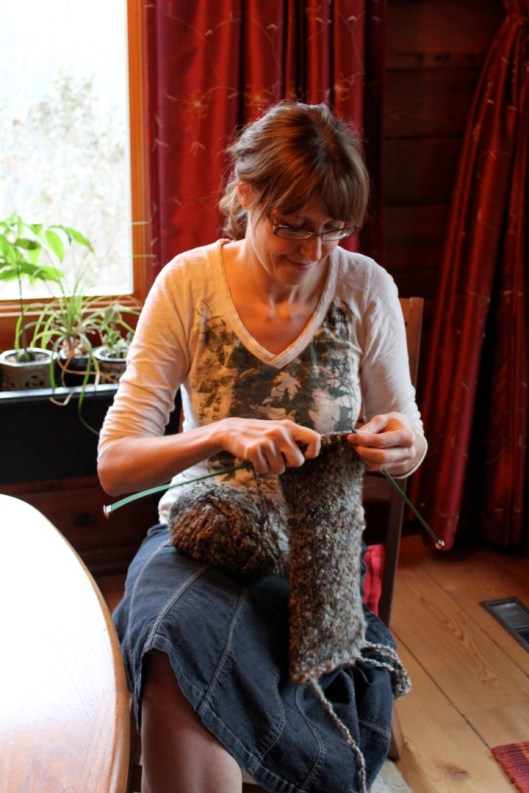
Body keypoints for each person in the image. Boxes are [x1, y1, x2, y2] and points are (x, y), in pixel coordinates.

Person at [97, 101, 427, 793]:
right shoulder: (188, 285)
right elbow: (115, 464)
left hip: (315, 554)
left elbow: (408, 432)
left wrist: (398, 446)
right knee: (173, 637)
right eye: (292, 225)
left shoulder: (364, 289)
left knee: (189, 653)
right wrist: (220, 431)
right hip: (201, 538)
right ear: (245, 194)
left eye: (331, 230)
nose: (311, 252)